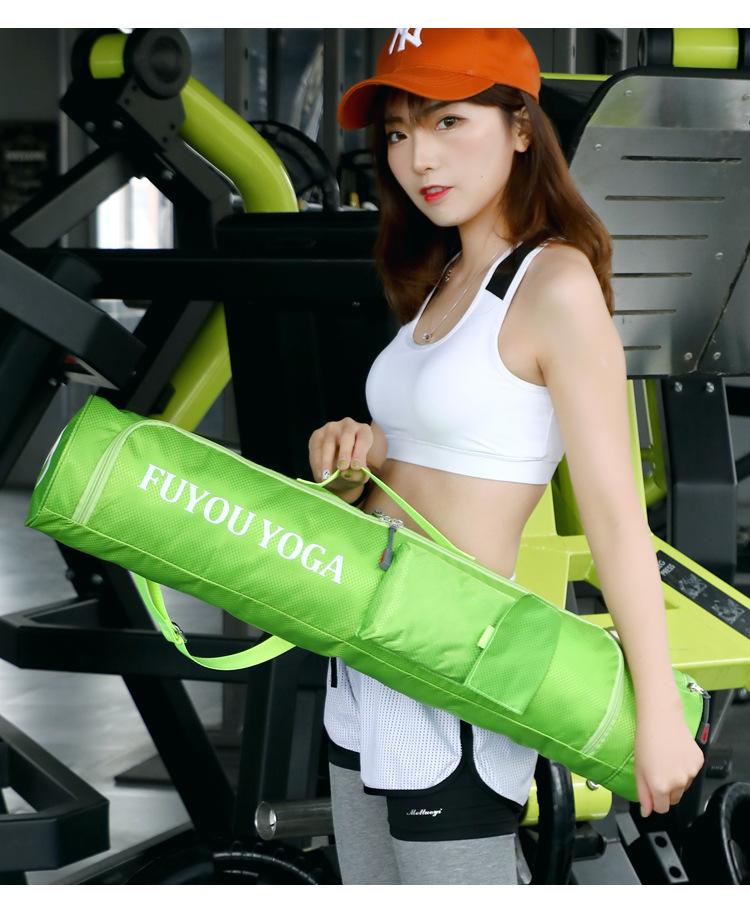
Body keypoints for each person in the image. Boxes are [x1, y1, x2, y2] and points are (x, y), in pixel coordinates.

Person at [307, 28, 705, 885]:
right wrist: (352, 464)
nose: (418, 156)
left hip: (452, 663)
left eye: (447, 121)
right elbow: (426, 471)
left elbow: (614, 516)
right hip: (361, 659)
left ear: (521, 127)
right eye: (400, 131)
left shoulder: (555, 285)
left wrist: (660, 708)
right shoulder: (442, 281)